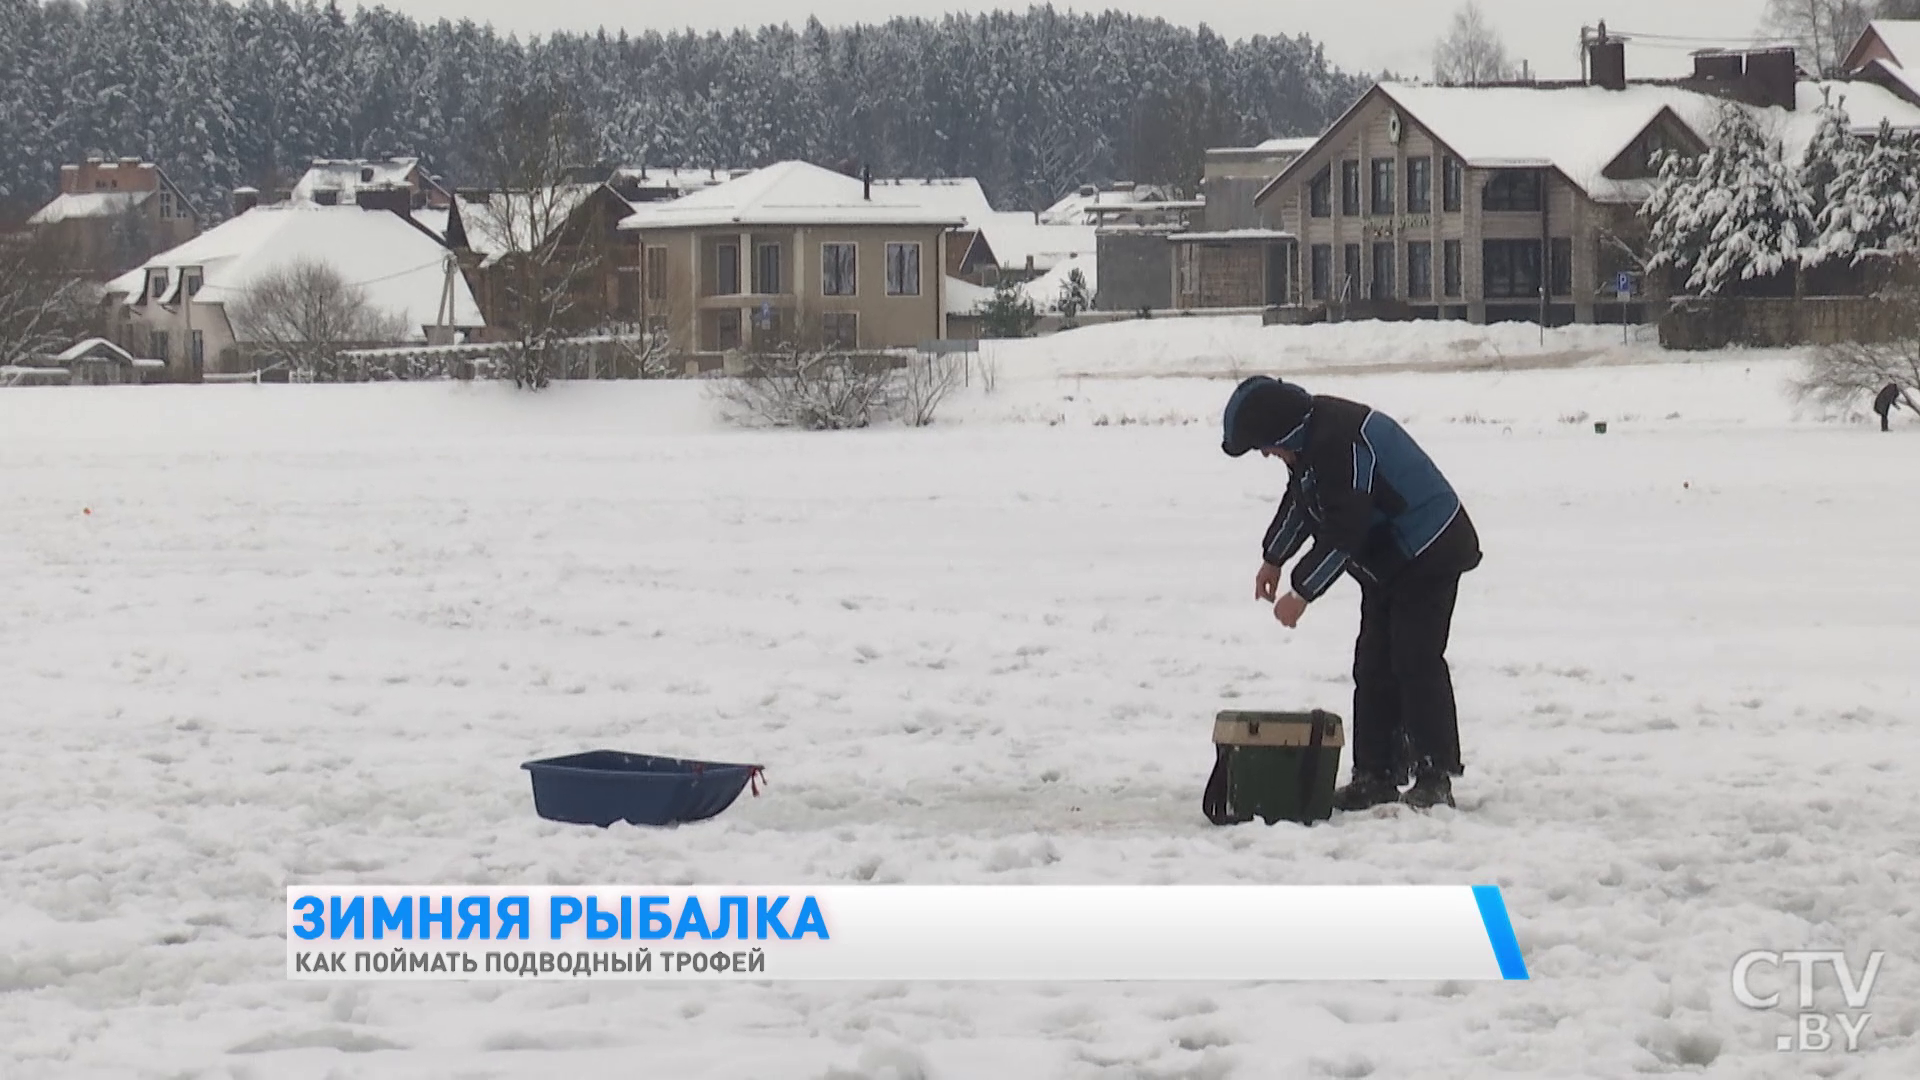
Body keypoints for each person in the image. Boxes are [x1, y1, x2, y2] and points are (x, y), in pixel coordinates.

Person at [1222, 376, 1482, 811]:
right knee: (1373, 664)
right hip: (1387, 562)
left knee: (1415, 661)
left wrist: (1301, 592)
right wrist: (1274, 558)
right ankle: (1376, 775)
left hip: (1430, 549)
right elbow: (1304, 502)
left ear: (1281, 433)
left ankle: (1435, 776)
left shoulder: (1338, 441)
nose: (1267, 454)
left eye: (1265, 446)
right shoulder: (1309, 442)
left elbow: (1347, 527)